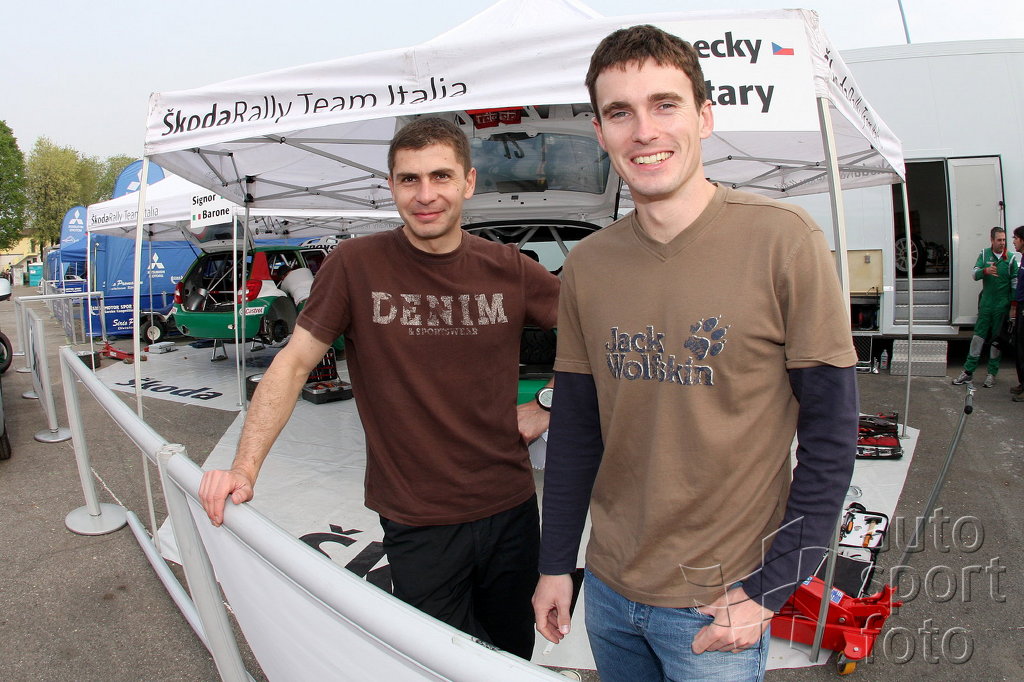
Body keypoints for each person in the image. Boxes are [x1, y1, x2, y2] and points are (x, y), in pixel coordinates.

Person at [531, 25, 859, 682]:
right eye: (620, 112)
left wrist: (772, 586)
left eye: (665, 105)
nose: (644, 131)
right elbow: (574, 432)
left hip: (717, 601)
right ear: (599, 132)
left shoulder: (783, 241)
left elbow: (832, 433)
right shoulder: (588, 266)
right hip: (610, 592)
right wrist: (556, 564)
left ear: (705, 117)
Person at [199, 117, 559, 659]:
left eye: (441, 176)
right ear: (390, 186)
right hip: (417, 517)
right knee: (439, 660)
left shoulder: (508, 267)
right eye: (409, 179)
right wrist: (244, 469)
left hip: (510, 508)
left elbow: (600, 333)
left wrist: (549, 402)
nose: (425, 195)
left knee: (510, 654)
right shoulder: (354, 265)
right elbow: (293, 364)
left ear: (468, 182)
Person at [953, 227, 1019, 388]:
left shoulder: (1010, 258)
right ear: (992, 240)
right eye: (999, 240)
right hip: (986, 305)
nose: (1002, 243)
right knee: (978, 337)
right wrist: (986, 271)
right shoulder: (984, 254)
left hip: (1001, 307)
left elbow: (1015, 284)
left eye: (1004, 240)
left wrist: (1013, 306)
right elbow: (974, 274)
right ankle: (968, 372)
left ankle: (991, 374)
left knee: (997, 340)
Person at [1011, 226, 1024, 402]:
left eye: (1015, 238)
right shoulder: (1022, 259)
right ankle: (1022, 383)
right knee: (1019, 347)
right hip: (1021, 306)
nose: (1013, 241)